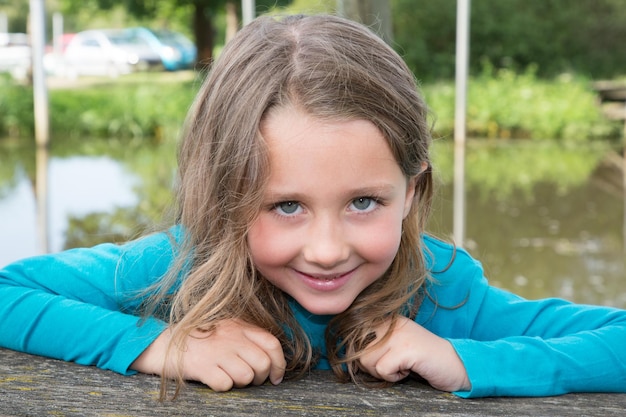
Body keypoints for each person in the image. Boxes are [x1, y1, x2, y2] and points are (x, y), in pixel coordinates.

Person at [1, 14, 625, 400]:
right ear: (225, 198)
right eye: (286, 207)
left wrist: (464, 359)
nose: (327, 249)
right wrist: (162, 345)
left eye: (363, 201)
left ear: (411, 191)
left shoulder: (443, 290)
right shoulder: (180, 265)